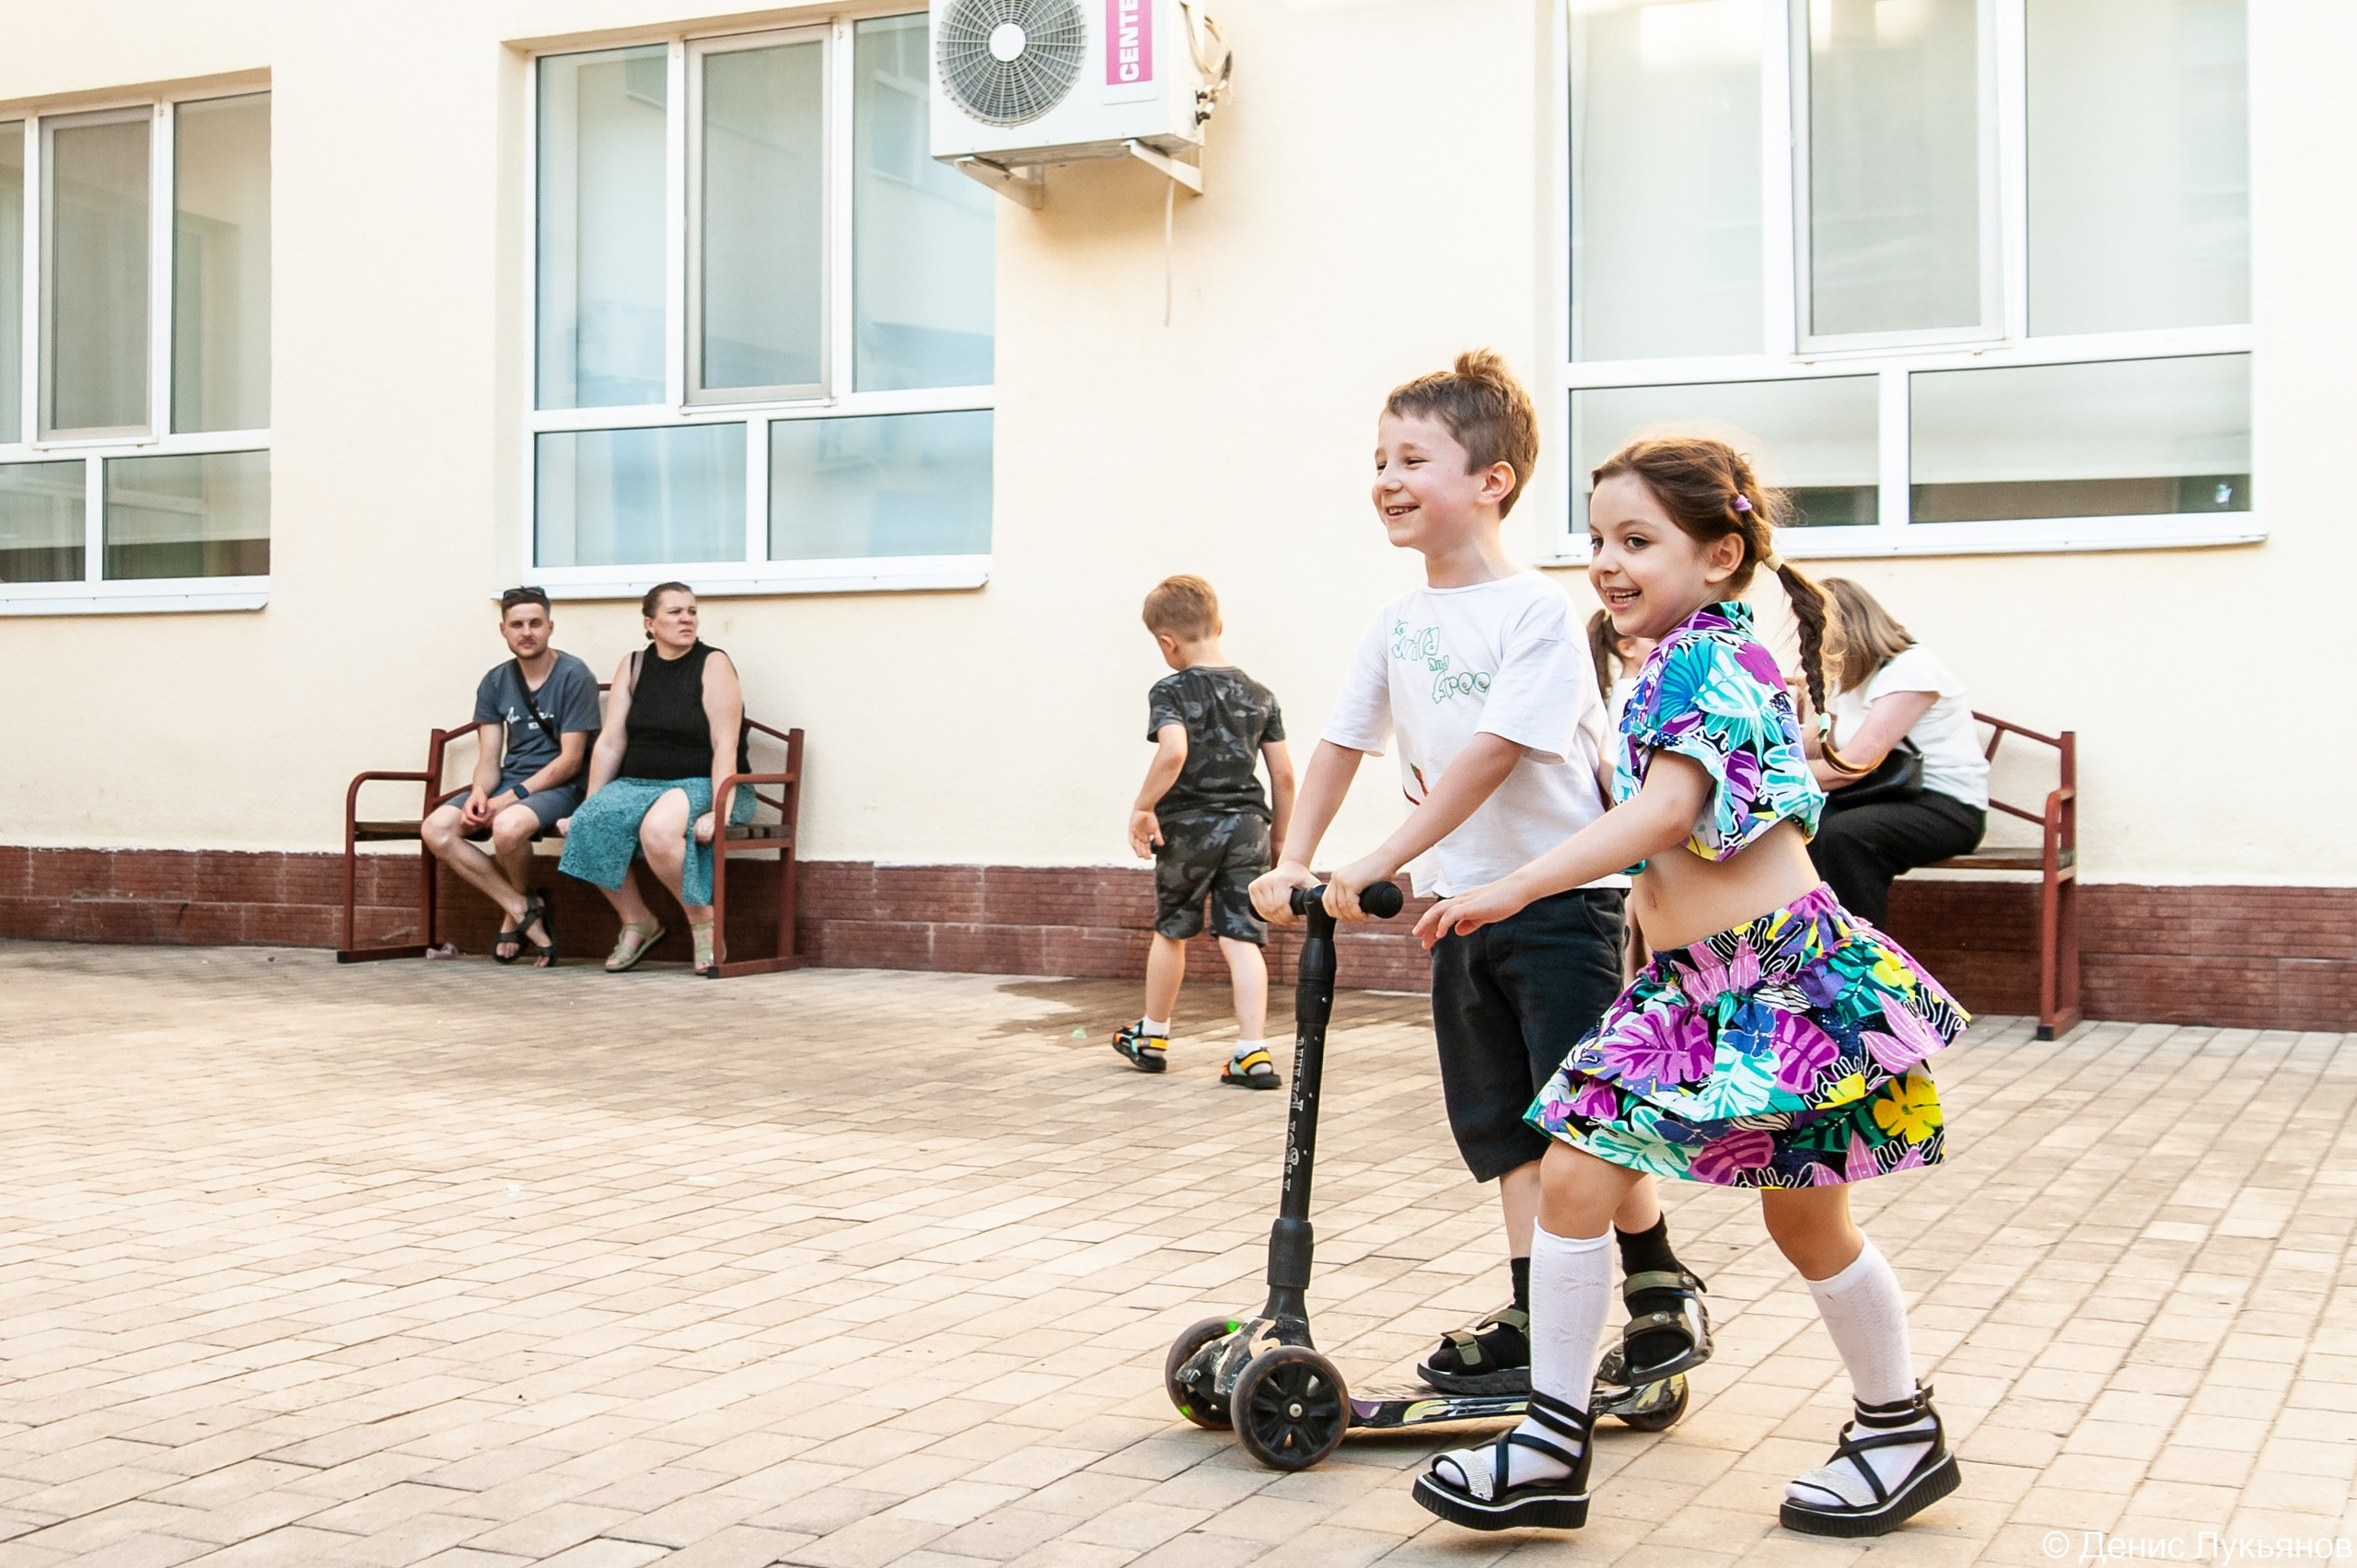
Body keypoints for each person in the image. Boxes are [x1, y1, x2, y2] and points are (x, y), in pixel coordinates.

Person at [1405, 436, 1966, 1539]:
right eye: (1600, 541)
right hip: (1704, 984)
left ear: (1717, 554)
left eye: (1638, 541)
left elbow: (1666, 815)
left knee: (1803, 1219)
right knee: (1582, 1171)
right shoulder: (1696, 653)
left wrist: (1512, 883)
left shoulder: (1698, 658)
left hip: (1776, 982)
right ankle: (1553, 1442)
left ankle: (1893, 1429)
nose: (1609, 564)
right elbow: (1677, 852)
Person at [1251, 351, 1711, 1405]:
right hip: (1462, 904)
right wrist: (1292, 856)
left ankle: (1654, 1285)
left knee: (1579, 1121)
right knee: (1502, 1120)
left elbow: (1494, 751)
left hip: (1561, 900)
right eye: (1378, 458)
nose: (1385, 477)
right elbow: (1337, 744)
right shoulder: (1396, 621)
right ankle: (1529, 1301)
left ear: (1492, 478)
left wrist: (1377, 859)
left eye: (1412, 457)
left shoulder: (1537, 612)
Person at [1112, 575, 1296, 1088]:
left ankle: (1152, 1036)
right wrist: (1281, 837)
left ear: (1167, 642)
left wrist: (1142, 806)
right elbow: (1282, 774)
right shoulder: (1260, 695)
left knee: (1173, 928)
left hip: (1188, 828)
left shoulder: (1171, 689)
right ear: (1219, 624)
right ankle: (1251, 1052)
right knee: (1242, 936)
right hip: (1248, 828)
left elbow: (1173, 752)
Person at [557, 583, 755, 977]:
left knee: (659, 831)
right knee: (590, 824)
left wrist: (720, 810)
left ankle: (705, 925)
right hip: (638, 786)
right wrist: (591, 803)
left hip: (702, 782)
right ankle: (638, 921)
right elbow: (612, 741)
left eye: (692, 612)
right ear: (650, 623)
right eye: (675, 612)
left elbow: (724, 743)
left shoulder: (713, 663)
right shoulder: (633, 665)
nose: (687, 619)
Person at [419, 587, 600, 967]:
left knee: (506, 826)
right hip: (510, 783)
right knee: (436, 828)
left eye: (535, 623)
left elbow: (570, 761)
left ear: (550, 626)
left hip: (559, 786)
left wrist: (506, 799)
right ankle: (521, 906)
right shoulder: (495, 681)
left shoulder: (574, 675)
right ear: (503, 630)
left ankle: (514, 915)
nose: (527, 632)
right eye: (517, 625)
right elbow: (489, 757)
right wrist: (480, 794)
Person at [1798, 578, 1990, 925]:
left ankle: (1862, 959)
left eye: (1815, 633)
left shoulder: (1911, 668)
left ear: (1844, 632)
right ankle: (1814, 945)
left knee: (1845, 835)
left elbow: (1853, 765)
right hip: (1887, 797)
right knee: (1805, 825)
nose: (1810, 645)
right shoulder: (1860, 676)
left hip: (1944, 806)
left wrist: (1769, 774)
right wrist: (1756, 744)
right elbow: (1829, 736)